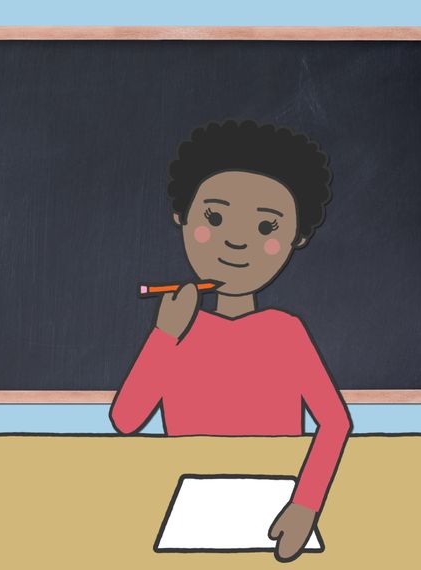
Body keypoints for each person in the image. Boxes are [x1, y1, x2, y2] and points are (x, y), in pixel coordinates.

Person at [110, 119, 352, 563]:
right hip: (185, 504)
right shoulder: (178, 330)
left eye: (266, 228)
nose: (237, 241)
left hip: (275, 498)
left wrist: (306, 504)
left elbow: (336, 423)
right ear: (181, 216)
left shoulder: (285, 333)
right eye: (215, 218)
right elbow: (126, 419)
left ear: (296, 238)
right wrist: (164, 335)